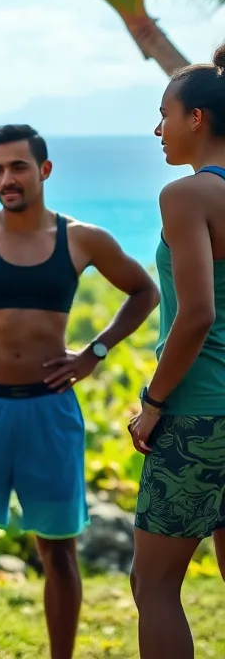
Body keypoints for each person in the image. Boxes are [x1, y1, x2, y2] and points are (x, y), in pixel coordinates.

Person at [0, 124, 159, 659]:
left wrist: (94, 353)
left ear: (44, 171)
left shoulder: (81, 238)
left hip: (50, 412)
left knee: (58, 553)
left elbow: (143, 291)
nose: (7, 179)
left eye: (18, 167)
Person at [129, 44, 225, 659]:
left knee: (154, 583)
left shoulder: (186, 196)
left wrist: (153, 402)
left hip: (196, 411)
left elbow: (195, 316)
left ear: (197, 119)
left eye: (164, 112)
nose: (157, 127)